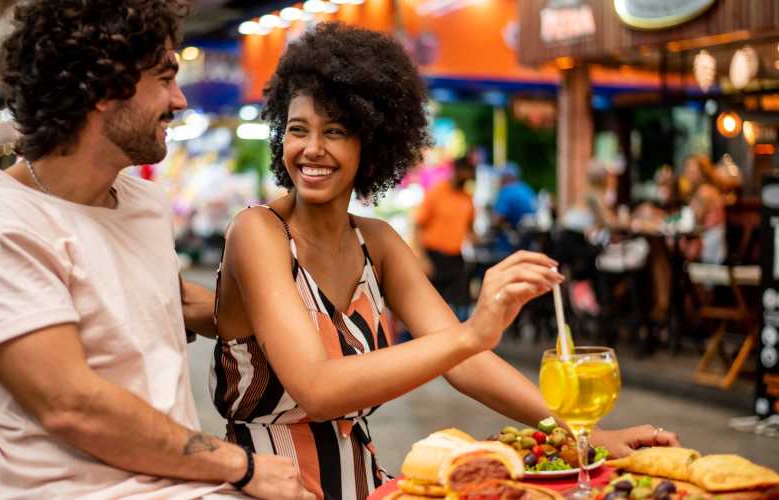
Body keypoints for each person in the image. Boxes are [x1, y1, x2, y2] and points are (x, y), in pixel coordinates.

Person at [210, 22, 679, 500]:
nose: (311, 149)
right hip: (265, 490)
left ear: (370, 145)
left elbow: (467, 363)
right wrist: (472, 331)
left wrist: (590, 437)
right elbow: (316, 388)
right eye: (297, 130)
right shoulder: (258, 231)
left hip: (368, 488)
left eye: (335, 131)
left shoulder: (378, 242)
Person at [0, 1, 312, 499]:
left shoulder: (141, 201)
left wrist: (307, 315)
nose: (179, 100)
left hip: (180, 483)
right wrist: (239, 466)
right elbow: (72, 405)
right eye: (163, 78)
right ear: (102, 88)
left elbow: (164, 300)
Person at [415, 156, 477, 319]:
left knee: (462, 306)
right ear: (456, 172)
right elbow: (417, 226)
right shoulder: (436, 193)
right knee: (431, 309)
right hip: (434, 257)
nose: (466, 181)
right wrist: (422, 258)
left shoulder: (467, 198)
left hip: (456, 257)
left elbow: (470, 229)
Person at [678, 154, 727, 264]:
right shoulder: (705, 189)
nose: (687, 172)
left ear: (702, 172)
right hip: (707, 247)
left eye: (691, 168)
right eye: (687, 167)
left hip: (708, 253)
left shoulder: (705, 191)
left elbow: (693, 222)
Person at [491, 163, 538, 257]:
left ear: (505, 178)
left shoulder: (506, 192)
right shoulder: (527, 189)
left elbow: (496, 219)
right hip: (530, 243)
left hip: (510, 247)